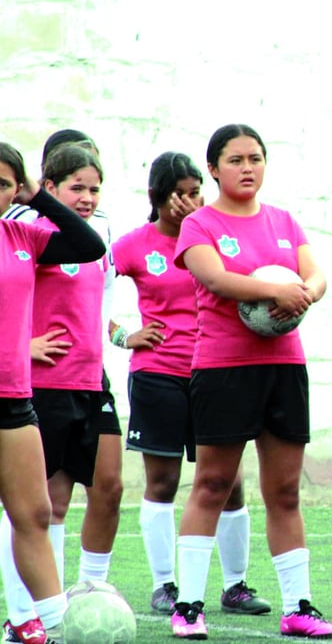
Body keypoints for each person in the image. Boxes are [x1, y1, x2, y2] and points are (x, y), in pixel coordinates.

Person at [171, 124, 332, 639]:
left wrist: (303, 293)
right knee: (213, 485)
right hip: (223, 370)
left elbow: (317, 276)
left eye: (256, 158)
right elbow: (217, 280)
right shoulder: (199, 224)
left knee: (285, 492)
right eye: (236, 159)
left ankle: (299, 609)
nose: (248, 167)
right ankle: (189, 607)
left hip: (284, 369)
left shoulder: (284, 221)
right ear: (215, 168)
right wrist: (277, 288)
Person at [109, 151, 270, 616]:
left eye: (195, 191)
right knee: (163, 481)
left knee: (231, 482)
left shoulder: (213, 234)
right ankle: (165, 585)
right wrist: (125, 336)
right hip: (157, 374)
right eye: (178, 193)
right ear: (156, 197)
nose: (187, 201)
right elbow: (91, 293)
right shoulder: (135, 244)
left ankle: (236, 585)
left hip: (213, 372)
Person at [1, 130, 124, 601]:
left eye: (94, 188)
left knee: (101, 487)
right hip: (38, 384)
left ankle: (82, 594)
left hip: (91, 379)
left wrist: (117, 339)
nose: (88, 197)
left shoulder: (44, 232)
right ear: (50, 186)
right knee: (37, 507)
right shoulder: (24, 229)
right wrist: (21, 345)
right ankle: (24, 613)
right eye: (77, 187)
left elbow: (89, 249)